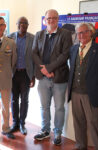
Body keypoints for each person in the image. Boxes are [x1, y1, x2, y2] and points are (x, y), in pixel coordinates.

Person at [32, 9, 73, 145]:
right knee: (44, 106)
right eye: (48, 18)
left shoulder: (66, 34)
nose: (51, 20)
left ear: (58, 19)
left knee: (59, 107)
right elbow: (34, 54)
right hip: (43, 78)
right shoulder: (39, 34)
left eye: (54, 18)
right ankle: (45, 131)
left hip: (59, 77)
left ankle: (58, 133)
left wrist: (49, 68)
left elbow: (65, 55)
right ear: (45, 20)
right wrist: (44, 70)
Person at [68, 23, 98, 150]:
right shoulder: (74, 49)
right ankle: (80, 145)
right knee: (78, 122)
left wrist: (95, 86)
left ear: (90, 32)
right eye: (79, 33)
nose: (82, 35)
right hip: (75, 92)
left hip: (90, 93)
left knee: (94, 123)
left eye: (85, 32)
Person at [8, 16, 35, 135]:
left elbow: (34, 58)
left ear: (28, 25)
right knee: (14, 100)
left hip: (26, 74)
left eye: (25, 23)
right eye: (20, 23)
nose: (22, 25)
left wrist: (33, 76)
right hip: (13, 74)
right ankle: (15, 123)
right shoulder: (10, 37)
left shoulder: (33, 38)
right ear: (17, 24)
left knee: (24, 100)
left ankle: (22, 124)